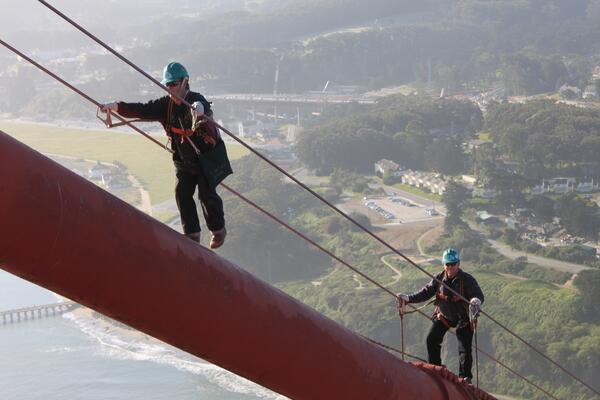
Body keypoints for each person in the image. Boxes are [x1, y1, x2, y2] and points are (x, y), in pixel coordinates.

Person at [100, 61, 228, 249]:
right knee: (181, 194)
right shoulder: (165, 105)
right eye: (167, 85)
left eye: (173, 84)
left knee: (206, 195)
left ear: (184, 82)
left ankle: (218, 230)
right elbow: (142, 109)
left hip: (204, 159)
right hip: (184, 160)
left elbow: (202, 106)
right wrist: (116, 107)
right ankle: (192, 234)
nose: (170, 89)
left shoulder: (194, 99)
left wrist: (199, 110)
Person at [397, 248, 484, 382]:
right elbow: (426, 292)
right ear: (444, 264)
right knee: (431, 339)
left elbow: (478, 295)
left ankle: (465, 377)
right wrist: (408, 298)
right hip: (445, 316)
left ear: (458, 264)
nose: (450, 267)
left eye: (453, 264)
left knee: (464, 347)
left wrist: (475, 301)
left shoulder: (466, 280)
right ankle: (435, 369)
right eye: (447, 264)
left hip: (463, 318)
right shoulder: (439, 279)